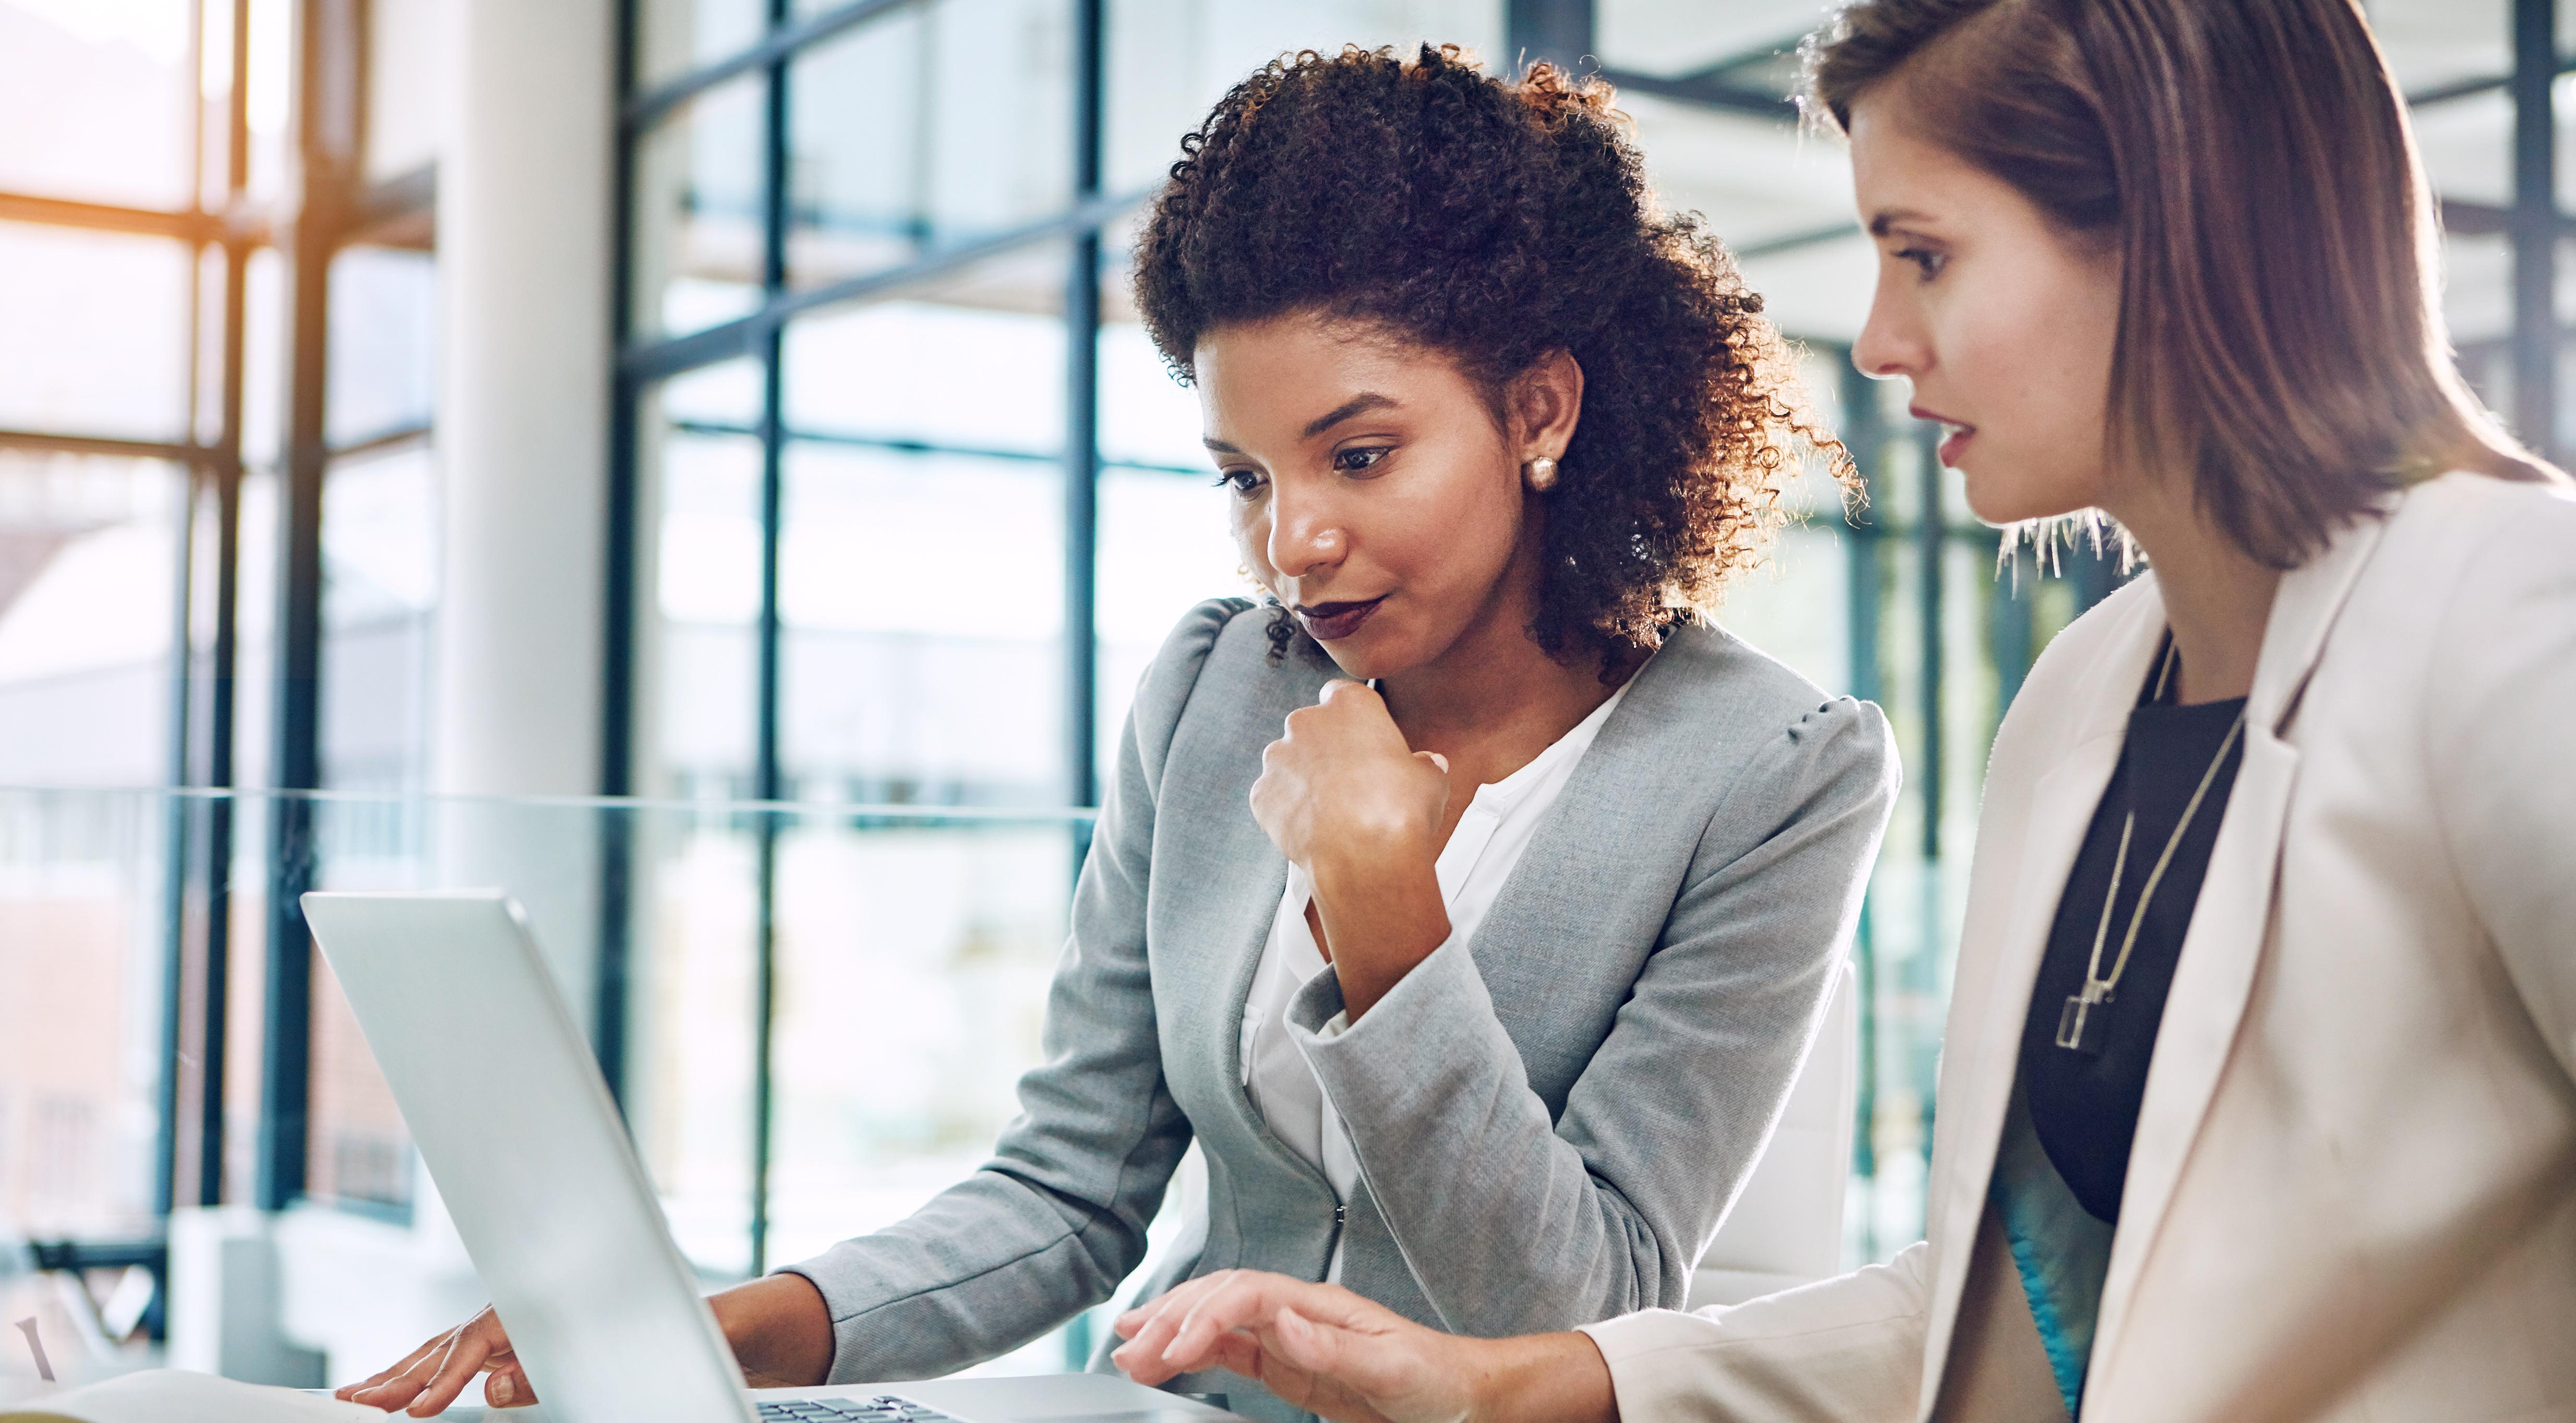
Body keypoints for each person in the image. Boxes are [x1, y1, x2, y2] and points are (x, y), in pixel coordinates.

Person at [342, 46, 1899, 1421]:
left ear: (1541, 410)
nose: (1291, 541)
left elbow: (1580, 1310)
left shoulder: (1773, 770)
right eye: (1244, 475)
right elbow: (1071, 1190)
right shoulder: (1222, 687)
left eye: (1358, 454)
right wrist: (750, 1328)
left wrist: (1386, 919)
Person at [1110, 3, 2576, 1421]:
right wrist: (1498, 1387)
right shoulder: (2078, 698)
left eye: (1923, 256)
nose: (1877, 341)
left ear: (2180, 229)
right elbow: (2019, 1298)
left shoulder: (2526, 621)